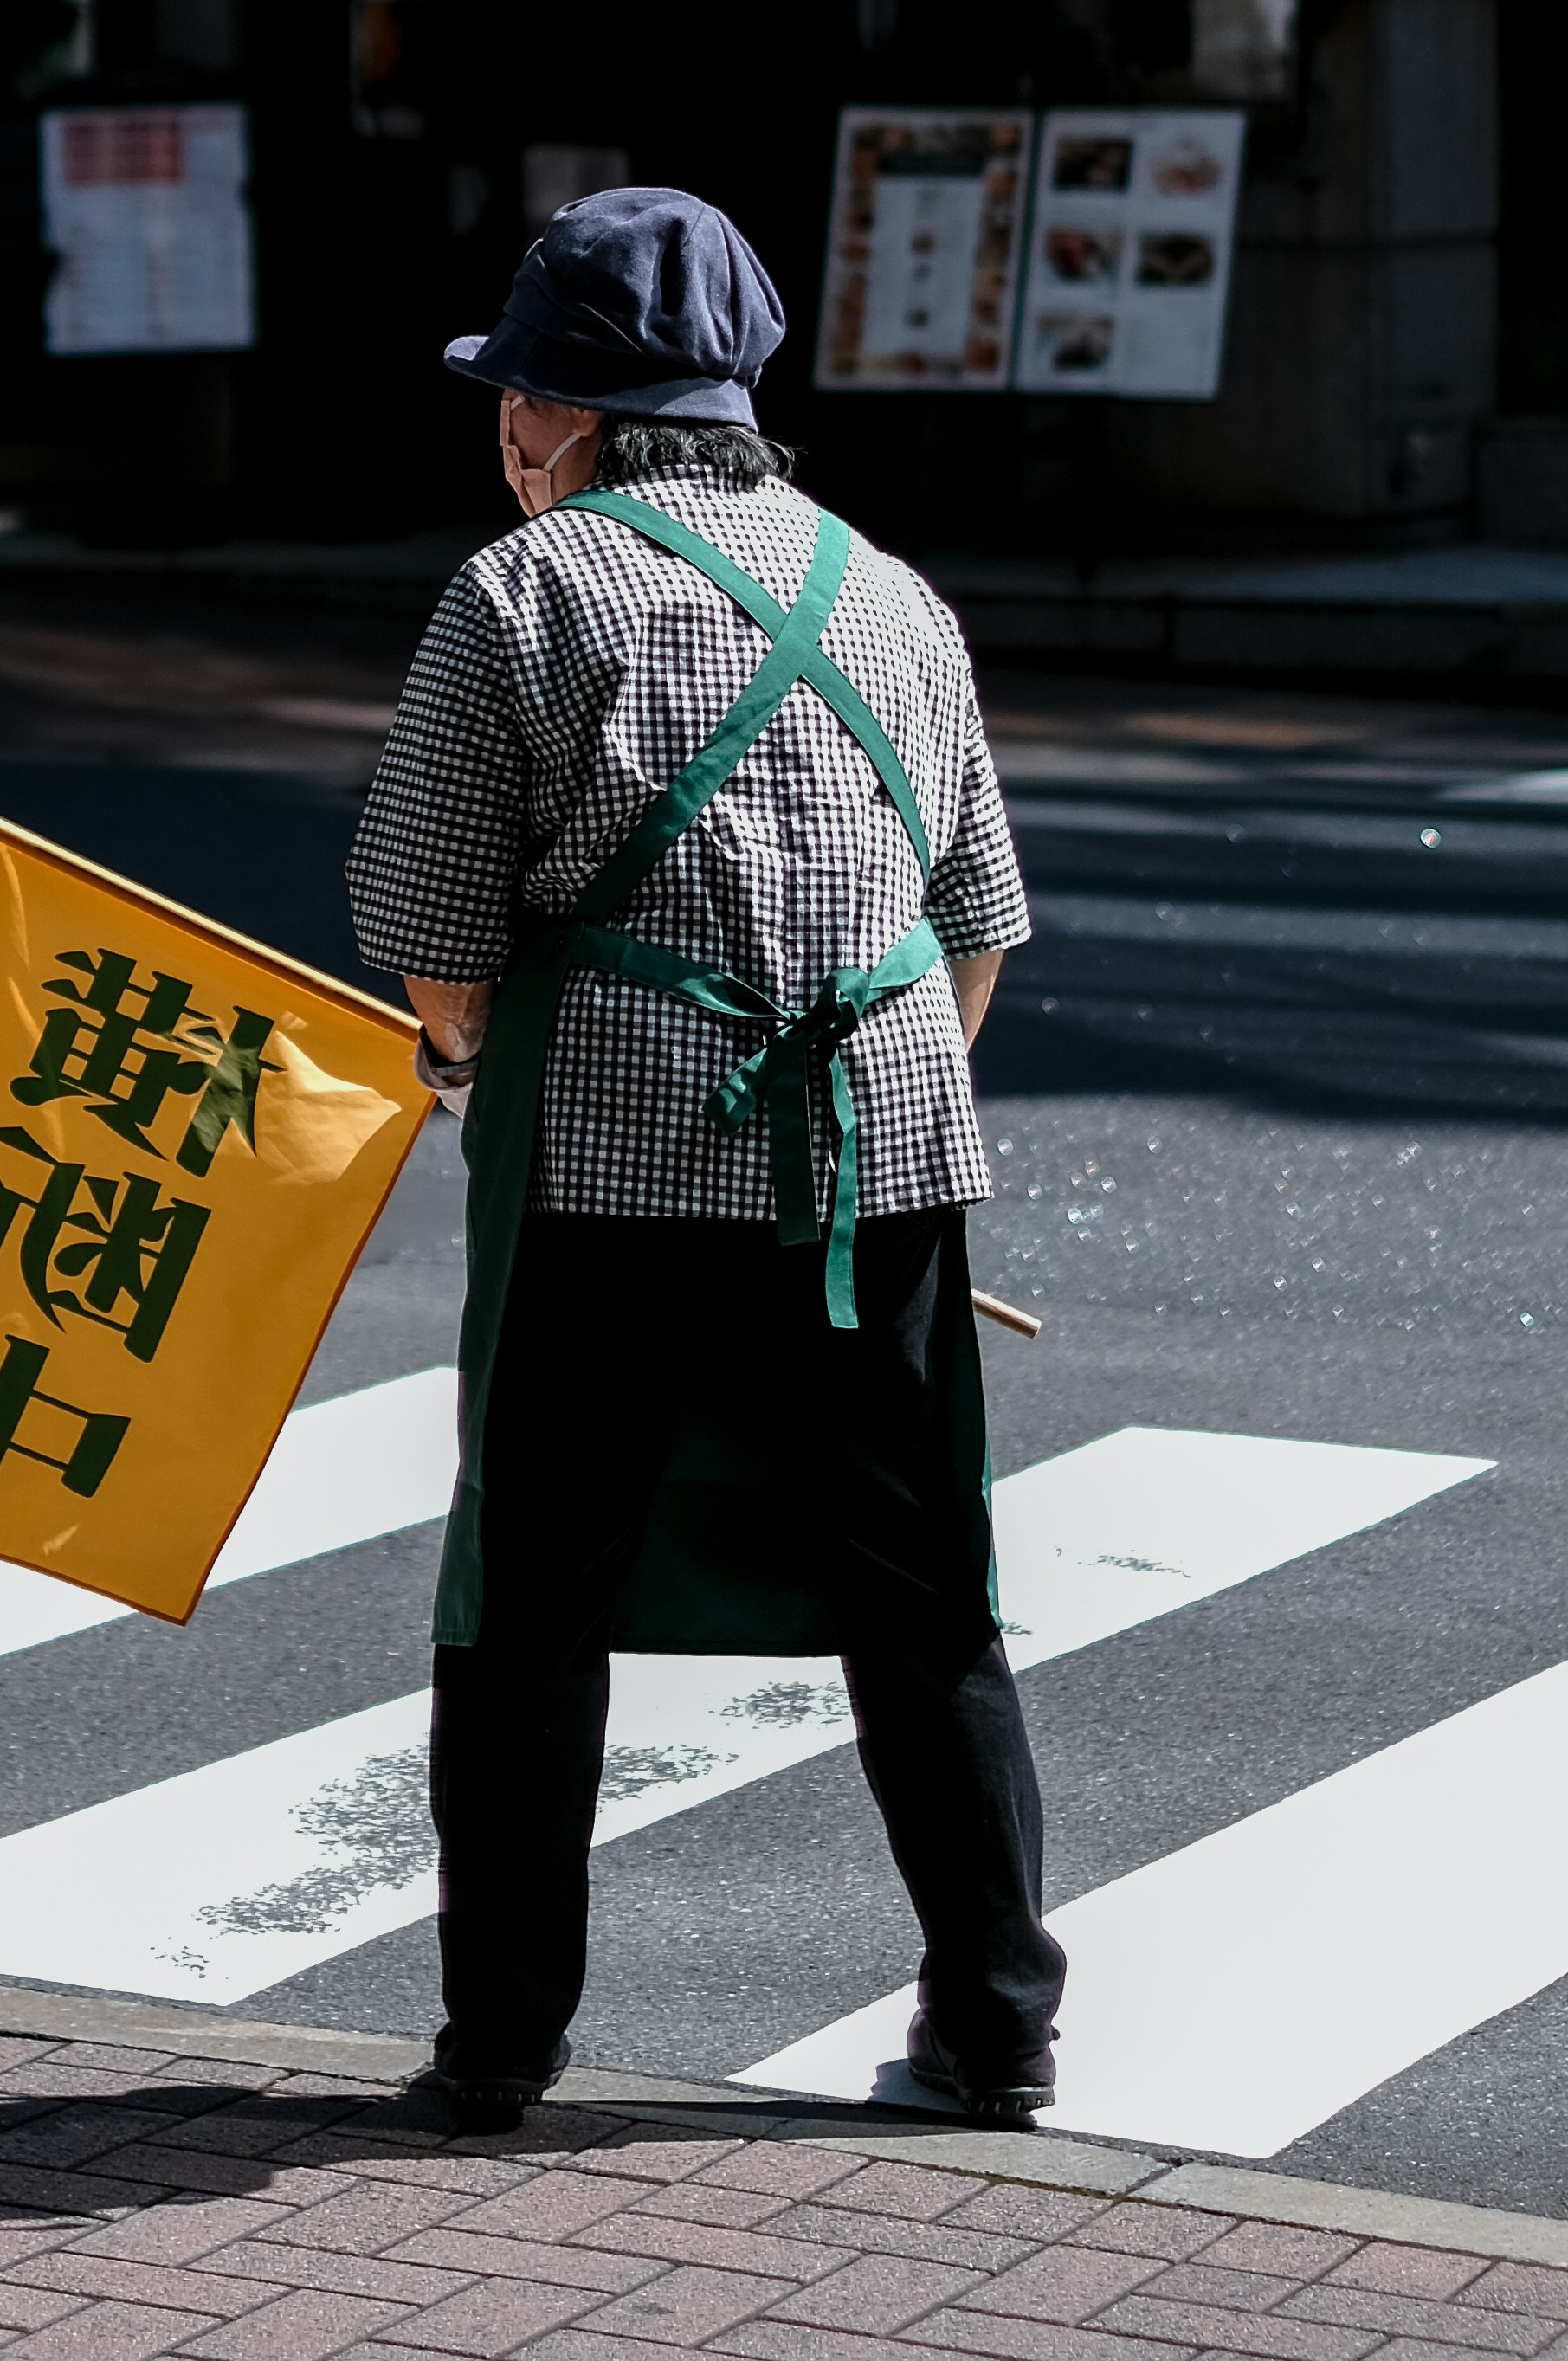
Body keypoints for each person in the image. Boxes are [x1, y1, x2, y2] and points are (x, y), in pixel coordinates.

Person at [349, 185, 1064, 2133]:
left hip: (606, 1154)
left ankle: (501, 2040)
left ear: (554, 418)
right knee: (930, 1591)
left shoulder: (523, 590)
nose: (501, 439)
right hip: (887, 1151)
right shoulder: (893, 587)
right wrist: (848, 1126)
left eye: (511, 402)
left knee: (533, 1589)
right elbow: (976, 918)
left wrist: (460, 1058)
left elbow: (432, 935)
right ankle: (998, 2018)